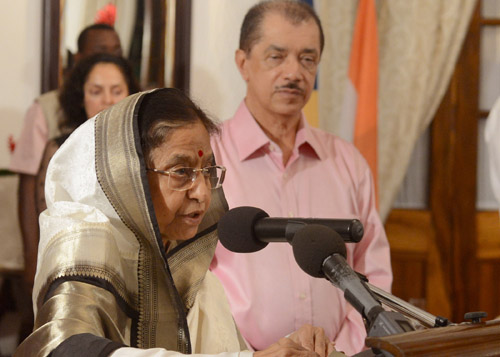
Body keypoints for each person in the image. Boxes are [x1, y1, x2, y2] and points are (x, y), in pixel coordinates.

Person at [14, 88, 337, 357]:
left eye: (207, 171)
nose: (201, 192)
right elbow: (63, 347)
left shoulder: (191, 270)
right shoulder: (85, 246)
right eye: (181, 172)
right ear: (131, 177)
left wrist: (288, 349)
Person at [210, 1, 392, 355]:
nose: (294, 73)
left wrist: (341, 351)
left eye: (308, 59)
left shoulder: (347, 162)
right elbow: (188, 285)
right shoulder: (208, 160)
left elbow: (374, 274)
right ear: (243, 63)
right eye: (277, 57)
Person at [9, 23, 122, 291]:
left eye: (117, 50)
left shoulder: (131, 111)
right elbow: (28, 188)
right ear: (79, 57)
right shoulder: (47, 109)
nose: (112, 56)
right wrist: (30, 261)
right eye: (101, 50)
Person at [35, 53, 140, 219]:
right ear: (81, 98)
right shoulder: (60, 151)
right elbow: (49, 220)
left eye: (117, 91)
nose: (108, 100)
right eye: (96, 92)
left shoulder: (144, 147)